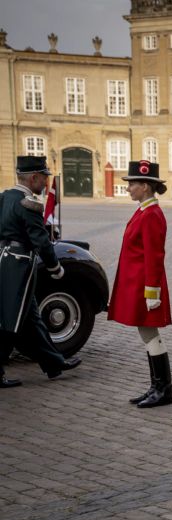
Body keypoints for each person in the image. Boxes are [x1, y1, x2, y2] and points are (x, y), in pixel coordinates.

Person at [1, 156, 81, 386]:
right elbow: (42, 241)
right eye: (44, 177)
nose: (46, 182)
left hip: (4, 260)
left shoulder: (5, 197)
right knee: (11, 321)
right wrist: (56, 268)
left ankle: (54, 363)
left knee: (31, 318)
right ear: (33, 177)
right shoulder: (29, 204)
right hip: (19, 265)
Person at [108, 160, 172, 408]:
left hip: (145, 287)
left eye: (132, 184)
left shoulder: (152, 215)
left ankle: (163, 390)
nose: (128, 188)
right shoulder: (144, 211)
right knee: (146, 334)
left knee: (149, 333)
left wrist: (152, 292)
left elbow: (154, 257)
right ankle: (157, 387)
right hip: (136, 285)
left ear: (145, 186)